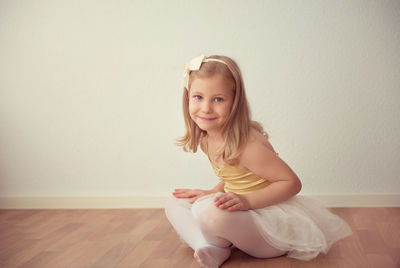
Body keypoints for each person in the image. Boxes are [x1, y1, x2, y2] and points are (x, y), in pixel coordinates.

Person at [165, 55, 352, 268]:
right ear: (187, 98)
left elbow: (291, 183)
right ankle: (209, 247)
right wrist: (212, 192)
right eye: (198, 97)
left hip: (269, 227)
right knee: (176, 203)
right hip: (242, 216)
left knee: (206, 212)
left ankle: (216, 242)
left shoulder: (247, 146)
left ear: (234, 102)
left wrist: (247, 202)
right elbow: (233, 177)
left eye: (218, 99)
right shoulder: (208, 138)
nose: (206, 108)